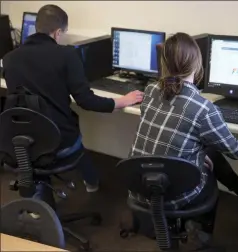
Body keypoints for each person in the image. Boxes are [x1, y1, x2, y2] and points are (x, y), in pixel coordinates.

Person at [2, 5, 143, 193]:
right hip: (59, 141)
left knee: (51, 135)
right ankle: (92, 184)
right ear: (58, 32)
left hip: (23, 140)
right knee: (73, 139)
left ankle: (40, 199)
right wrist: (121, 101)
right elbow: (86, 101)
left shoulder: (10, 58)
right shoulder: (67, 55)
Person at [129, 32, 238, 210]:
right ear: (197, 64)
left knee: (210, 150)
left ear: (164, 63)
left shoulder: (150, 90)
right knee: (210, 172)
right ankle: (201, 230)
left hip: (138, 188)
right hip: (173, 197)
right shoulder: (203, 109)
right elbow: (237, 152)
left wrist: (200, 154)